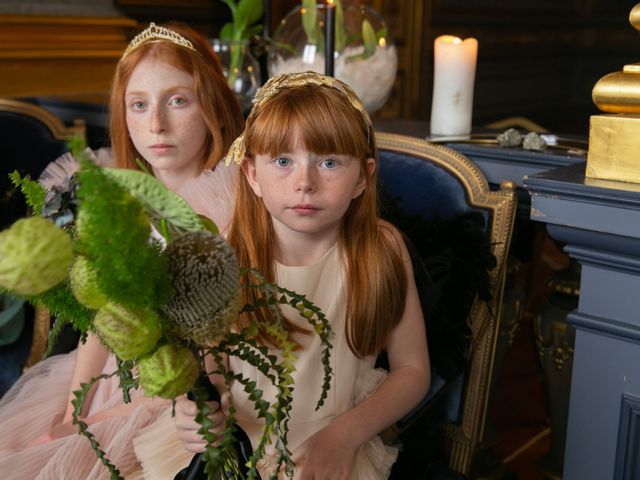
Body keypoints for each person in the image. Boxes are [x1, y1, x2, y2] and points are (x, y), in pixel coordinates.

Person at [0, 22, 243, 480]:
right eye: (139, 105)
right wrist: (78, 405)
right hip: (117, 382)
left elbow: (225, 334)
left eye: (178, 100)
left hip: (198, 391)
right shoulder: (119, 202)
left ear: (211, 103)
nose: (156, 125)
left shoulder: (235, 204)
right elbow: (100, 321)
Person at [174, 72, 431, 480]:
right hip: (240, 449)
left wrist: (345, 435)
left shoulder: (382, 249)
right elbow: (210, 369)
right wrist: (199, 412)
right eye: (282, 161)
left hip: (339, 445)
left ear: (362, 177)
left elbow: (413, 371)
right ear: (252, 175)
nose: (305, 183)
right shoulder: (227, 253)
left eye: (328, 162)